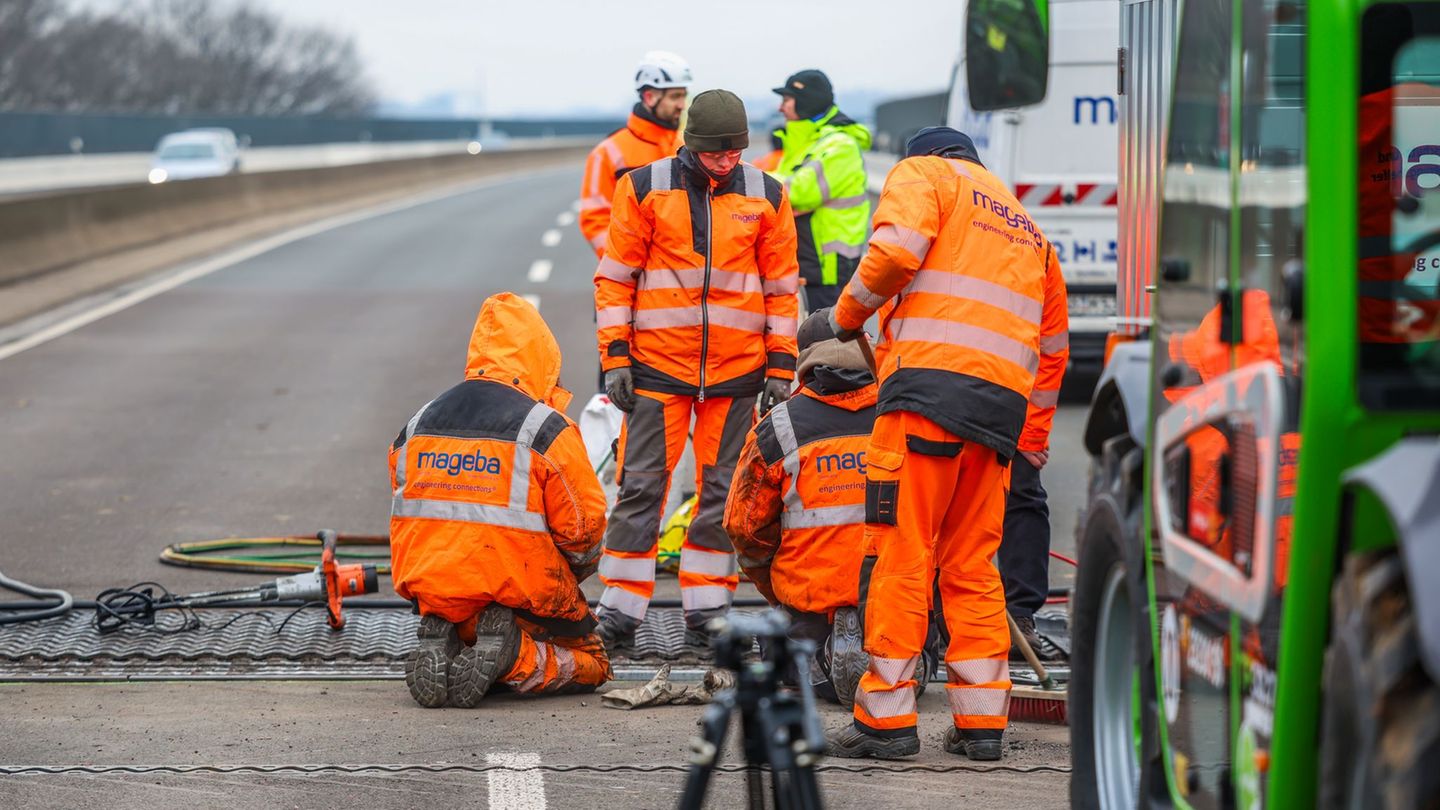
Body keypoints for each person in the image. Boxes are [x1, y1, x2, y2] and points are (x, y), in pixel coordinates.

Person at [823, 127, 1049, 761]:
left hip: (926, 398)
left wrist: (844, 318)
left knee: (902, 553)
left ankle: (886, 723)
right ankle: (981, 727)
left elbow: (894, 255)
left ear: (927, 154)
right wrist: (1031, 434)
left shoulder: (924, 176)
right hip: (999, 412)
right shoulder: (1024, 222)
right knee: (974, 565)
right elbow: (1052, 340)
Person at [593, 89, 800, 648]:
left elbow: (782, 291)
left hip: (738, 375)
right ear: (692, 146)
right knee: (641, 489)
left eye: (735, 153)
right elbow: (616, 279)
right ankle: (617, 614)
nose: (727, 163)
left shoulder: (768, 196)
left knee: (721, 494)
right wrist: (615, 355)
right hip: (657, 370)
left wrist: (781, 366)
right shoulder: (642, 188)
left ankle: (707, 611)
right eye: (716, 154)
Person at [390, 293, 611, 708]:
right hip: (518, 594)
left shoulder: (417, 424)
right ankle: (513, 657)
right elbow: (584, 532)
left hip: (437, 596)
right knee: (593, 662)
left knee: (467, 614)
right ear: (541, 358)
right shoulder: (546, 429)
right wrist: (569, 579)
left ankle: (451, 639)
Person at [726, 308, 932, 703]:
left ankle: (820, 655)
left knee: (776, 640)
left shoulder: (777, 430)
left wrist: (778, 592)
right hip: (900, 618)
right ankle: (900, 662)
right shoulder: (907, 418)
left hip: (808, 634)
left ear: (807, 365)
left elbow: (744, 529)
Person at [997, 241, 1070, 663]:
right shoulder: (1033, 244)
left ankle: (1018, 615)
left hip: (1002, 399)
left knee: (1020, 496)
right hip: (954, 388)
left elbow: (1051, 348)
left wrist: (1030, 438)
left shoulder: (1035, 250)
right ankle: (934, 621)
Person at [769, 69, 872, 311]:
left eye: (786, 100)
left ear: (805, 103)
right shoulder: (808, 142)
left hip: (829, 267)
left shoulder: (840, 145)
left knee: (829, 344)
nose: (780, 108)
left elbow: (798, 191)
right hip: (811, 262)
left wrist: (751, 180)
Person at [578, 51, 692, 258]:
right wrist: (626, 263)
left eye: (684, 95)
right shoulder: (608, 152)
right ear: (650, 97)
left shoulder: (685, 148)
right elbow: (595, 220)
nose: (682, 105)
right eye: (675, 96)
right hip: (631, 281)